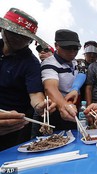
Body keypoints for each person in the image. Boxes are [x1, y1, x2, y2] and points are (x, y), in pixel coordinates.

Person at [0, 8, 56, 151]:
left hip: (13, 124)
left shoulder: (31, 63)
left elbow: (35, 94)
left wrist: (41, 106)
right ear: (2, 29)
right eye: (14, 33)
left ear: (31, 40)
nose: (19, 39)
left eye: (24, 36)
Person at [41, 29, 82, 131]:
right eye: (68, 48)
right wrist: (64, 106)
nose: (72, 52)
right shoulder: (49, 64)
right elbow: (50, 88)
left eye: (75, 48)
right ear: (56, 45)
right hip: (59, 110)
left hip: (75, 109)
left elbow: (82, 74)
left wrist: (75, 89)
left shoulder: (75, 62)